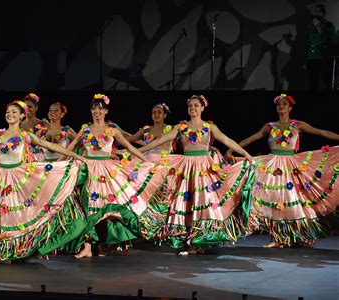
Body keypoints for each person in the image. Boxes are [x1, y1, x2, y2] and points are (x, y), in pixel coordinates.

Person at [0, 100, 87, 264]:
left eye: (14, 112)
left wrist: (78, 157)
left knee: (14, 216)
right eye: (8, 112)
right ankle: (1, 251)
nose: (10, 114)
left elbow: (51, 146)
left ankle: (14, 251)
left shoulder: (25, 135)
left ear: (21, 116)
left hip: (17, 178)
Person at [138, 95, 254, 255]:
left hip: (204, 169)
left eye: (196, 106)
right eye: (190, 106)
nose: (192, 108)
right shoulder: (181, 127)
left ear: (202, 108)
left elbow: (227, 140)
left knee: (203, 202)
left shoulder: (209, 127)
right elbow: (157, 142)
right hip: (186, 168)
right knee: (188, 202)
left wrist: (246, 154)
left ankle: (199, 241)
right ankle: (190, 240)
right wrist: (136, 152)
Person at [225, 93, 339, 248]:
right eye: (279, 104)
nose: (281, 106)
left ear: (290, 108)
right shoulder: (270, 127)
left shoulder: (298, 125)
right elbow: (252, 138)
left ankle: (300, 235)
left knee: (295, 200)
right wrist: (233, 148)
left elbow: (321, 132)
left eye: (284, 104)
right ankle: (277, 237)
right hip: (273, 166)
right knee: (275, 200)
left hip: (292, 165)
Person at [63, 93, 162, 258]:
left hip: (108, 171)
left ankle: (108, 243)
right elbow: (70, 147)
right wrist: (57, 163)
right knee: (89, 208)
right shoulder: (85, 130)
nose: (97, 112)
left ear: (106, 111)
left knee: (109, 209)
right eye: (94, 108)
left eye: (100, 109)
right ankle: (88, 246)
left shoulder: (112, 130)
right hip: (89, 170)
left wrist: (148, 162)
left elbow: (130, 147)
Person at [305, 4, 336, 91]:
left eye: (320, 12)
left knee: (324, 81)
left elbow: (325, 37)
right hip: (311, 57)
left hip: (322, 56)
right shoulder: (312, 27)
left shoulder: (328, 24)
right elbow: (309, 42)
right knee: (312, 82)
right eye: (316, 12)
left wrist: (318, 26)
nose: (317, 14)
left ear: (324, 13)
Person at [19, 92, 48, 161]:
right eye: (25, 107)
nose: (27, 109)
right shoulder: (19, 125)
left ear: (36, 108)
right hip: (23, 158)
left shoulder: (43, 124)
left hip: (40, 159)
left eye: (30, 107)